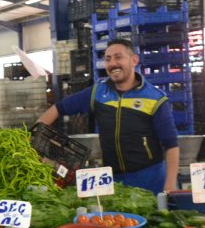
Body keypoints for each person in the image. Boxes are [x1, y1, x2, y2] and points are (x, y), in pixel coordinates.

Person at [36, 38, 179, 194]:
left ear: (134, 60)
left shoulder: (155, 98)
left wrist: (170, 184)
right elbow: (58, 108)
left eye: (118, 57)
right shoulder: (98, 92)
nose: (112, 64)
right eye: (108, 59)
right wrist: (34, 135)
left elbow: (171, 145)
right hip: (113, 180)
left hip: (150, 179)